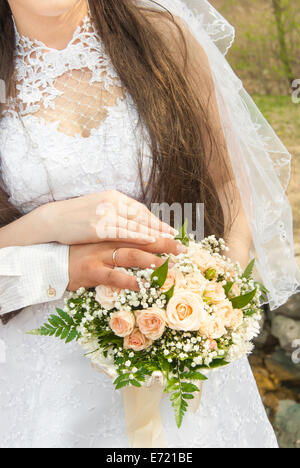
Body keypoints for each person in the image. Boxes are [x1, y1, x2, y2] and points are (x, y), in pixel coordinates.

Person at [0, 0, 298, 448]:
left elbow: (228, 184)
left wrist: (215, 305)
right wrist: (51, 223)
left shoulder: (163, 37)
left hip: (181, 344)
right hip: (42, 371)